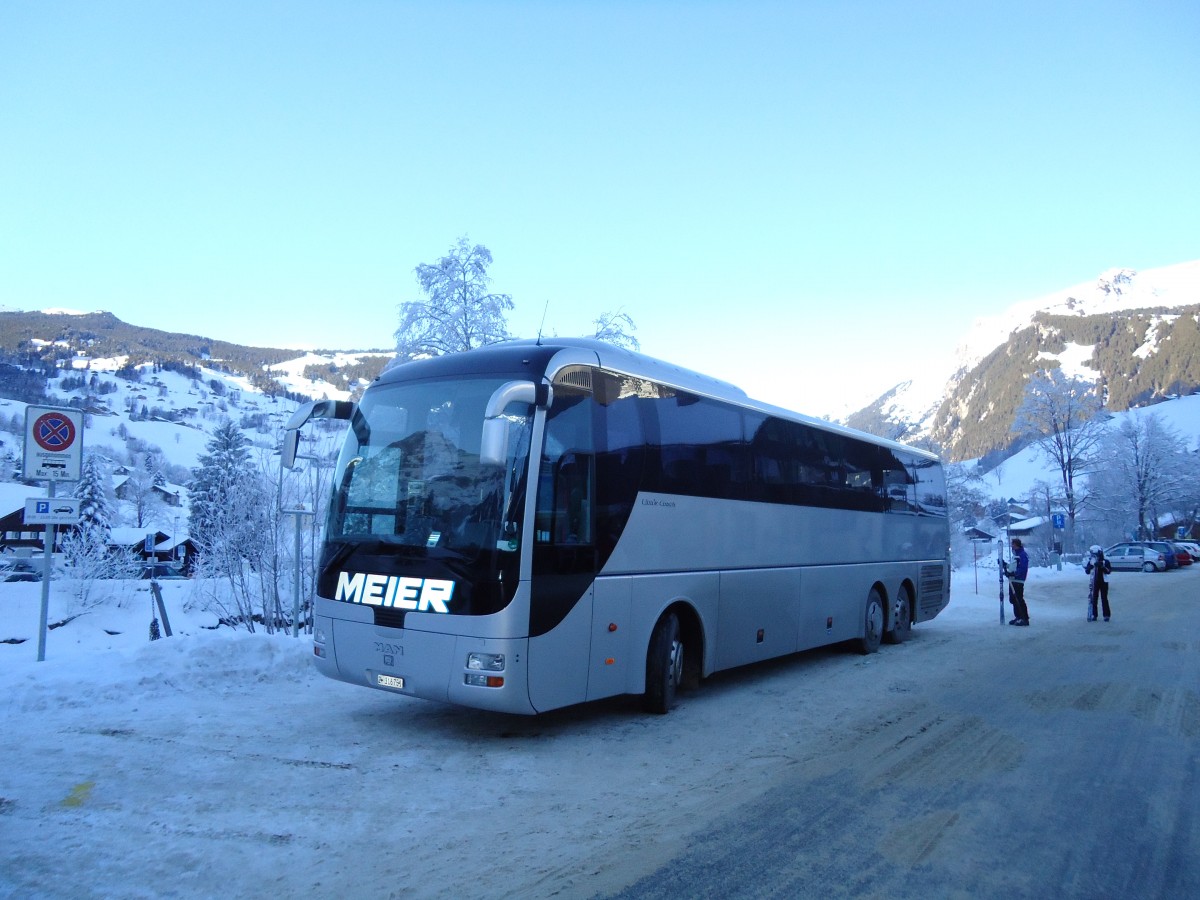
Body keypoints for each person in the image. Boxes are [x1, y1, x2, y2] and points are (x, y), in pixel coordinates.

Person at [1003, 537, 1031, 626]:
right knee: (1013, 599)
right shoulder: (1016, 555)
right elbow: (1013, 566)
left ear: (1017, 545)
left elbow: (1022, 568)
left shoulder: (1022, 555)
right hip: (1013, 580)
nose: (1012, 546)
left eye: (1013, 545)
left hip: (1018, 580)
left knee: (1018, 598)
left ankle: (1024, 618)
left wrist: (1014, 574)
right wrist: (1006, 565)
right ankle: (1018, 617)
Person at [1085, 545, 1112, 622]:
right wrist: (1090, 566)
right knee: (1094, 599)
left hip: (1104, 582)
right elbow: (1087, 571)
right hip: (1094, 582)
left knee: (1104, 598)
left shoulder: (1105, 561)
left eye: (1095, 555)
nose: (1095, 556)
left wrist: (1102, 566)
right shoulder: (1091, 561)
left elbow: (1108, 571)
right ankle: (1094, 614)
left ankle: (1106, 615)